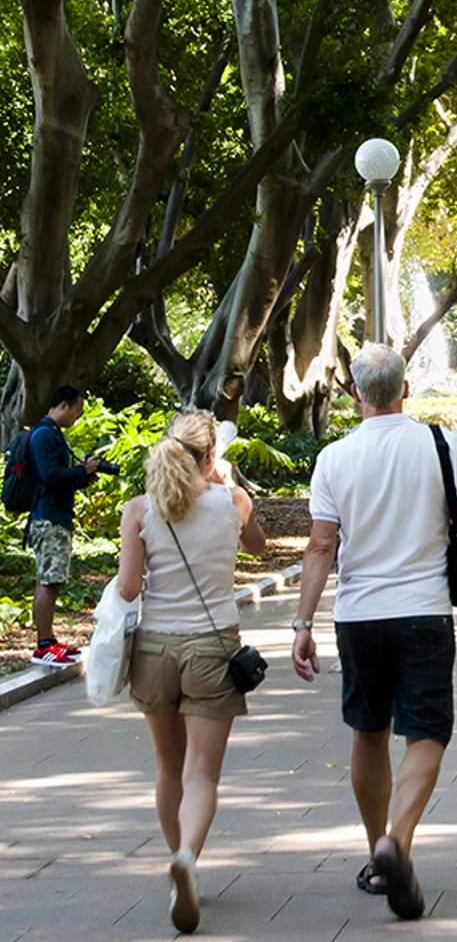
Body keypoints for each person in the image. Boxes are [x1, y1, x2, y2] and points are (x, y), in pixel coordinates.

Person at [290, 344, 457, 921]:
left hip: (358, 615)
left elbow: (321, 545)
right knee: (426, 730)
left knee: (367, 728)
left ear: (355, 394)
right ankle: (397, 841)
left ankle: (377, 855)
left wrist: (302, 624)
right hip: (424, 609)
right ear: (407, 388)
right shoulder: (441, 443)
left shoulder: (333, 458)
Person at [115, 411, 266, 933]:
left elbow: (129, 589)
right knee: (202, 773)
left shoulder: (141, 509)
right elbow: (258, 546)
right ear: (210, 457)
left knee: (167, 766)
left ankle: (179, 856)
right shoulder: (234, 502)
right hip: (213, 646)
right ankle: (188, 859)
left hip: (154, 649)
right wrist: (225, 483)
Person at [26, 386, 102, 666]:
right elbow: (50, 476)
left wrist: (82, 477)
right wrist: (82, 471)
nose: (77, 417)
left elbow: (59, 478)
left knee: (53, 581)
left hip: (56, 516)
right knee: (48, 582)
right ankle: (43, 645)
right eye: (76, 411)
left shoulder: (53, 435)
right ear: (62, 405)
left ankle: (49, 640)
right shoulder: (45, 435)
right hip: (48, 519)